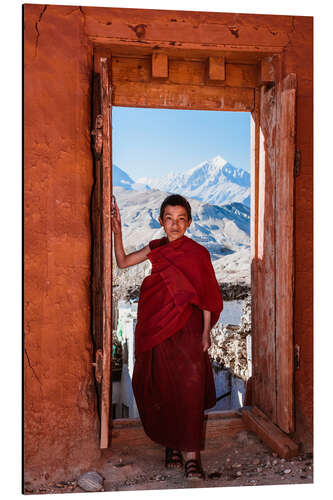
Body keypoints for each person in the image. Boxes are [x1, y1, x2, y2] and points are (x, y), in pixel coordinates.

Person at [112, 193, 223, 479]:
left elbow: (208, 296)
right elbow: (123, 262)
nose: (175, 225)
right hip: (158, 330)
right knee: (164, 388)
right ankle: (172, 445)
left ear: (189, 222)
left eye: (181, 219)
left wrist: (205, 333)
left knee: (190, 390)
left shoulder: (199, 254)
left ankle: (192, 457)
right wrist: (117, 231)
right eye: (169, 219)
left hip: (188, 331)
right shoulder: (155, 249)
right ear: (161, 221)